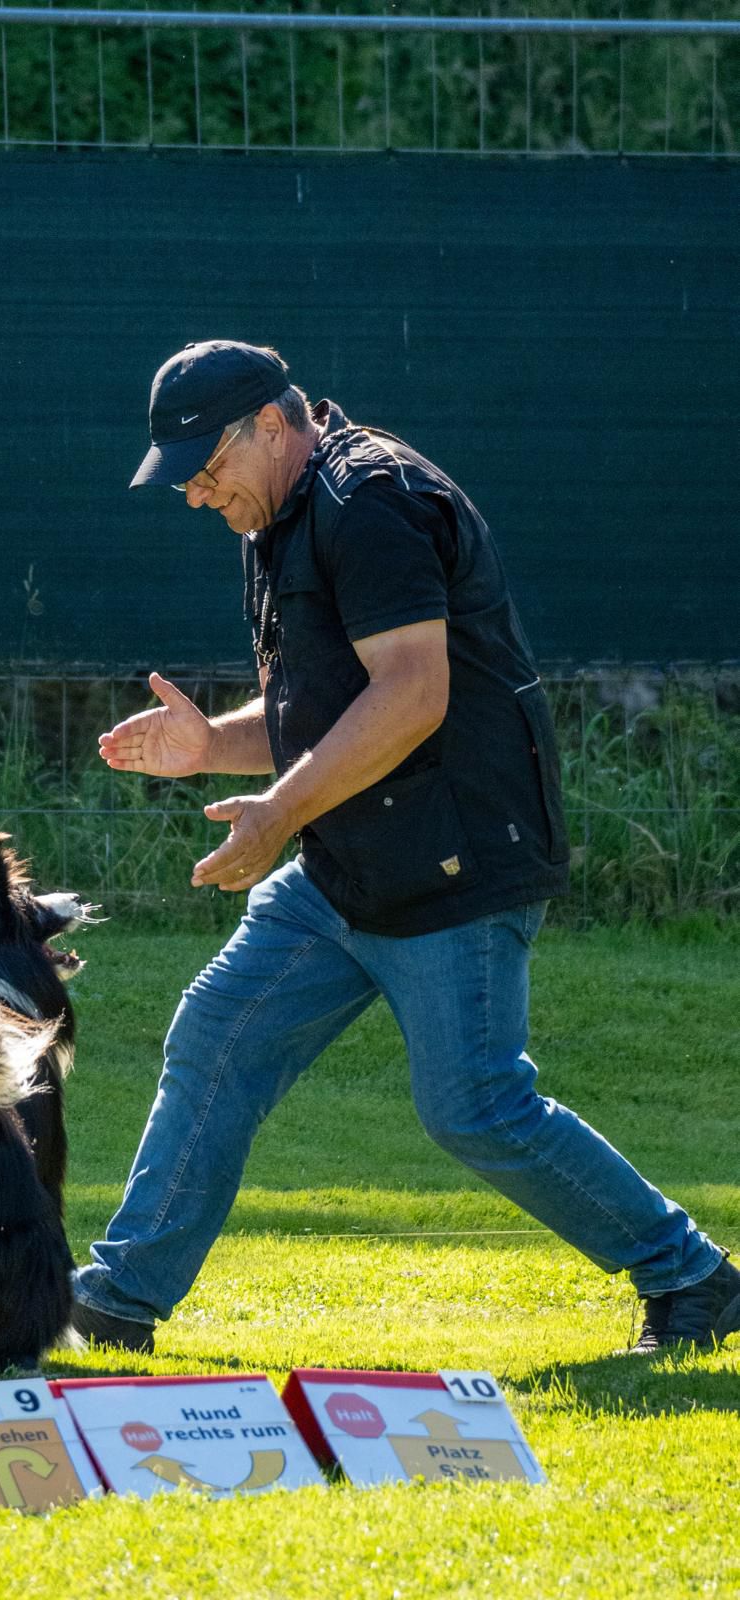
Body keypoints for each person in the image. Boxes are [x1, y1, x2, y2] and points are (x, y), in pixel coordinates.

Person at [70, 338, 739, 1357]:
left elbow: (413, 695)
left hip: (452, 862)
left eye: (208, 469)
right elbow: (323, 710)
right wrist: (212, 746)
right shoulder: (278, 512)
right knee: (218, 1032)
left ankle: (690, 1277)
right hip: (346, 866)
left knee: (475, 1107)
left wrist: (279, 812)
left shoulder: (370, 500)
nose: (199, 496)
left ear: (269, 424)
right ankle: (117, 1300)